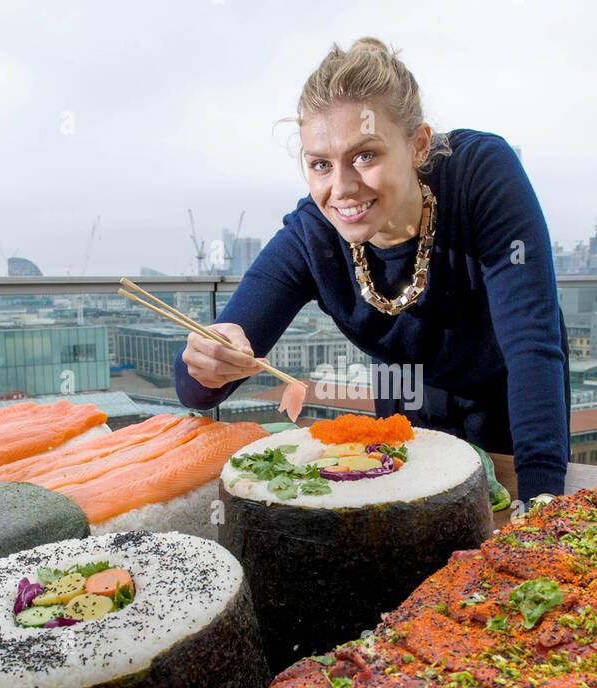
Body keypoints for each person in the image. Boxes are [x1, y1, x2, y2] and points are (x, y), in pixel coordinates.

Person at [175, 37, 570, 501]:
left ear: (419, 145)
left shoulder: (480, 173)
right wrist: (209, 364)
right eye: (321, 164)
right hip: (405, 413)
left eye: (365, 155)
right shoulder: (310, 236)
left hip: (514, 408)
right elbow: (197, 389)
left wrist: (544, 507)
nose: (341, 188)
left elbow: (531, 346)